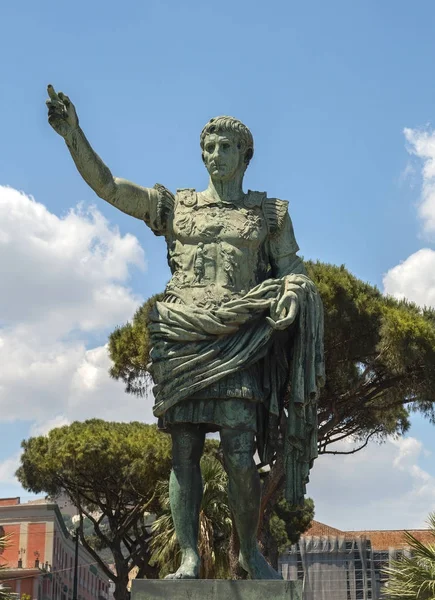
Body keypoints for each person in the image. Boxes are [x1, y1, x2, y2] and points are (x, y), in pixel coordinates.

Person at [46, 85, 325, 580]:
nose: (215, 155)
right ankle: (191, 557)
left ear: (246, 154)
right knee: (184, 451)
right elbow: (111, 187)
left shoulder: (270, 213)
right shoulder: (178, 207)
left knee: (241, 451)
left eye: (225, 147)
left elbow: (293, 269)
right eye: (209, 147)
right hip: (181, 337)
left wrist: (292, 291)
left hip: (239, 339)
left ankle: (247, 553)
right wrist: (74, 137)